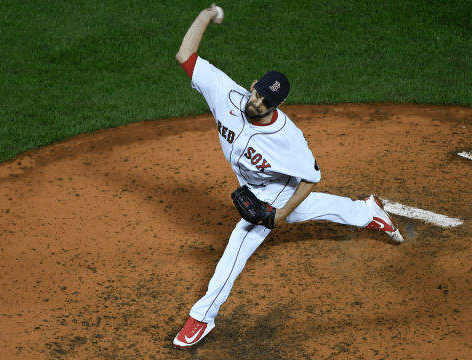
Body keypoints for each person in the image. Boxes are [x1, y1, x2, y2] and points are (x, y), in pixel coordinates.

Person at [172, 4, 403, 349]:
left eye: (266, 102)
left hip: (276, 189)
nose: (257, 103)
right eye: (256, 93)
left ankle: (202, 317)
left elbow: (312, 177)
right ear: (252, 85)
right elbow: (185, 56)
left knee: (240, 242)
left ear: (276, 106)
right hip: (252, 184)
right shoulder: (227, 95)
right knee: (308, 211)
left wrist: (277, 213)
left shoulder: (288, 138)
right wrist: (207, 15)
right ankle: (367, 212)